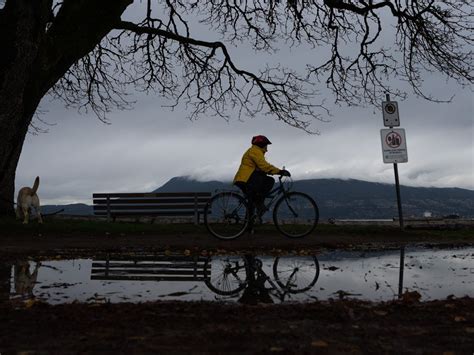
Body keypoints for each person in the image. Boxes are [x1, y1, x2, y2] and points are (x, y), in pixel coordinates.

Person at [233, 135, 290, 217]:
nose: (267, 148)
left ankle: (249, 225)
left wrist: (271, 171)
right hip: (246, 179)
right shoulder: (255, 151)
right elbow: (264, 166)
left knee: (252, 201)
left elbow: (261, 168)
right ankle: (259, 203)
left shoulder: (255, 151)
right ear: (262, 144)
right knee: (269, 181)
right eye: (266, 145)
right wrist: (280, 171)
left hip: (245, 179)